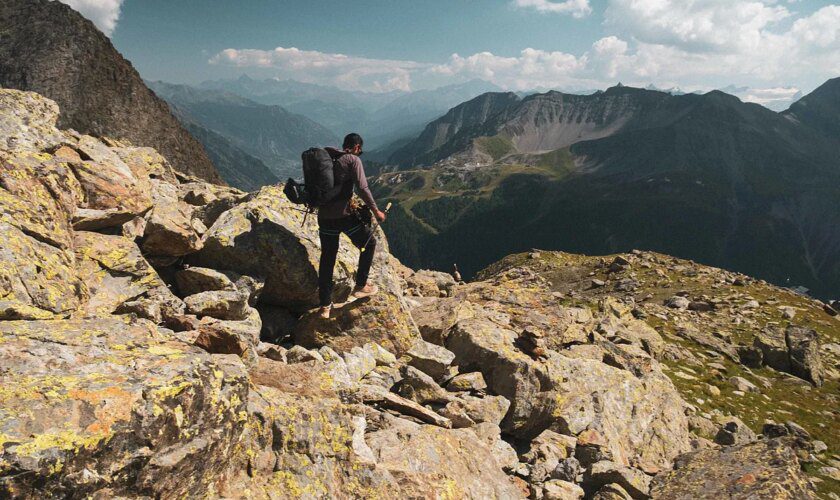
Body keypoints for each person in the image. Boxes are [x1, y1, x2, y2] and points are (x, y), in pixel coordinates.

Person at [317, 133, 386, 319]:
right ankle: (361, 285)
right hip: (343, 217)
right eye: (360, 150)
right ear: (356, 147)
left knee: (328, 258)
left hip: (324, 217)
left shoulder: (330, 158)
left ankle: (324, 305)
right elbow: (363, 188)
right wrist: (376, 211)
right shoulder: (352, 160)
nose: (359, 153)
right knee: (369, 244)